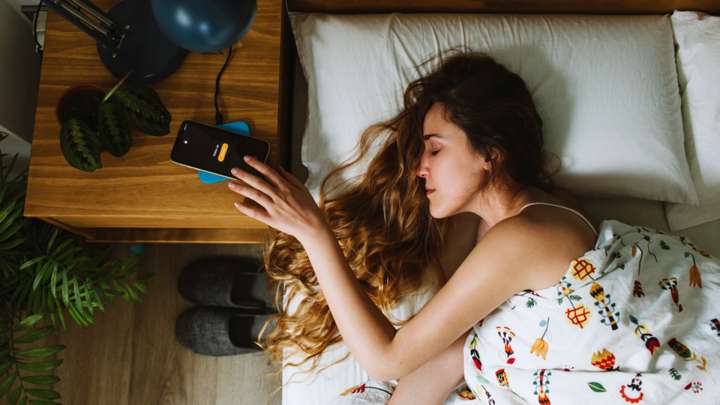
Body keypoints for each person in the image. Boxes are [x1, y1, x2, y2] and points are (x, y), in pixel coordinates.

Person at [227, 52, 719, 404]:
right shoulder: (496, 224)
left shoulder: (522, 236)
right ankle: (259, 303)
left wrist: (315, 232)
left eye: (435, 149)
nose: (420, 167)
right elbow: (432, 320)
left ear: (489, 154)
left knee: (457, 354)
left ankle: (255, 312)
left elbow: (391, 357)